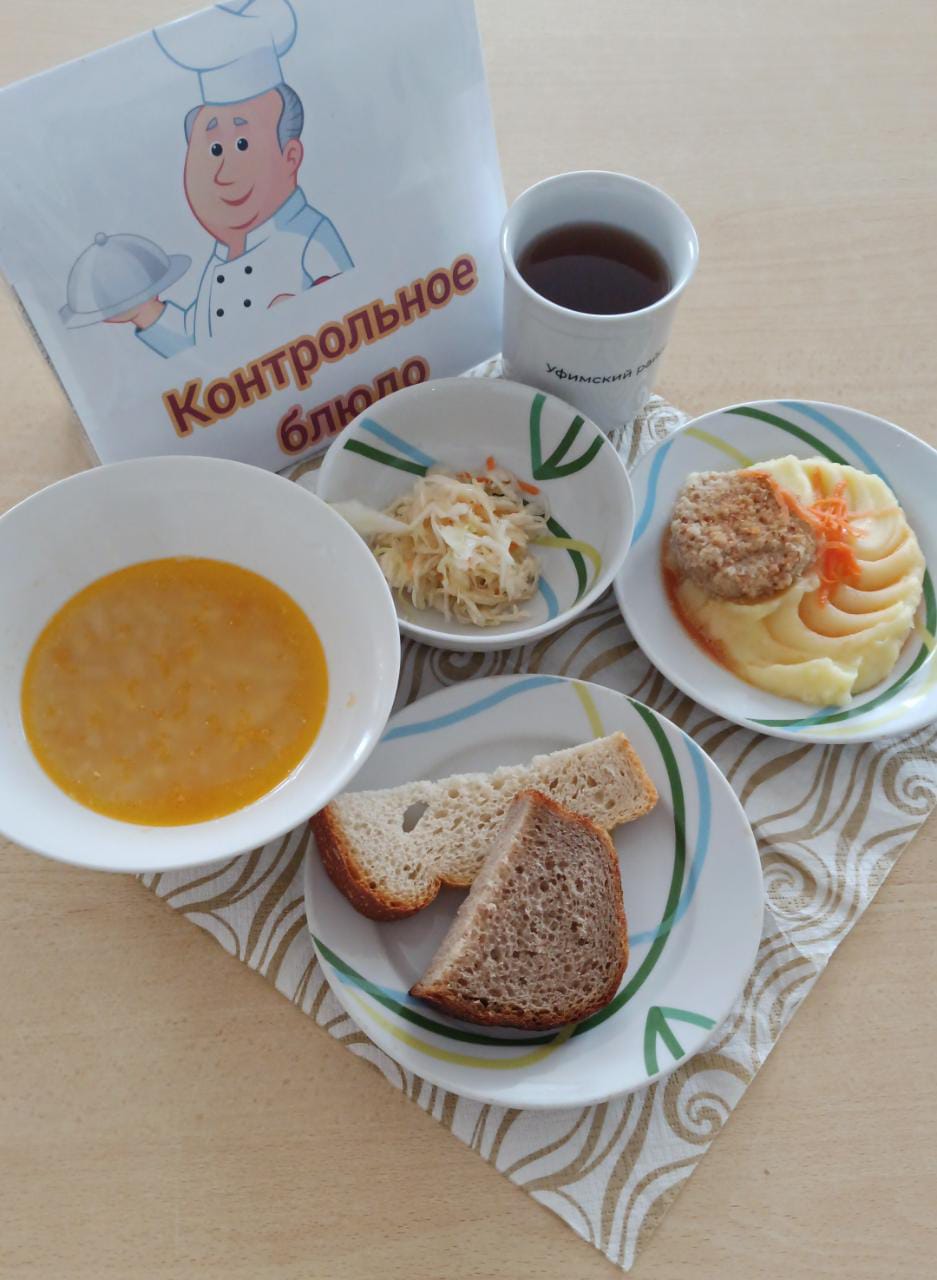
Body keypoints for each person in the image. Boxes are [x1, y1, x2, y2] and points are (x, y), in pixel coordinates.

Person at [106, 1, 352, 356]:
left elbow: (358, 303)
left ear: (291, 157)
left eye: (242, 144)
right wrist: (146, 312)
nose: (222, 172)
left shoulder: (309, 237)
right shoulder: (218, 262)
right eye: (214, 149)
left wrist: (310, 312)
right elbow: (197, 343)